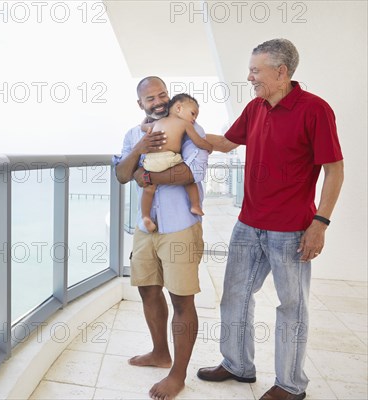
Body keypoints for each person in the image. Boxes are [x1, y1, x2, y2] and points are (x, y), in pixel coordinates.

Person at [197, 39, 344, 400]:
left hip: (292, 229)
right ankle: (236, 365)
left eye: (255, 70)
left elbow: (335, 170)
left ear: (281, 72)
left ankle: (291, 386)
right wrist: (182, 127)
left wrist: (320, 223)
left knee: (291, 307)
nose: (249, 77)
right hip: (248, 224)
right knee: (234, 296)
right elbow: (226, 143)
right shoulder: (256, 107)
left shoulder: (315, 110)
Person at [114, 76, 210, 400]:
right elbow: (121, 174)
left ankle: (178, 374)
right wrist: (141, 150)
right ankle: (159, 353)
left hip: (181, 226)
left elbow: (189, 173)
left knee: (181, 299)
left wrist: (147, 176)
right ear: (140, 104)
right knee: (148, 292)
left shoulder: (188, 127)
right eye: (150, 98)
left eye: (162, 95)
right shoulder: (133, 135)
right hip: (146, 228)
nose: (158, 102)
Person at [139, 93, 213, 233]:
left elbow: (143, 127)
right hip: (169, 159)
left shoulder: (157, 123)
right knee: (189, 180)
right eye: (193, 114)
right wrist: (209, 147)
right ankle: (195, 205)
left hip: (151, 161)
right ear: (178, 108)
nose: (194, 119)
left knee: (148, 190)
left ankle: (146, 217)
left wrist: (144, 122)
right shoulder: (184, 123)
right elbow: (198, 141)